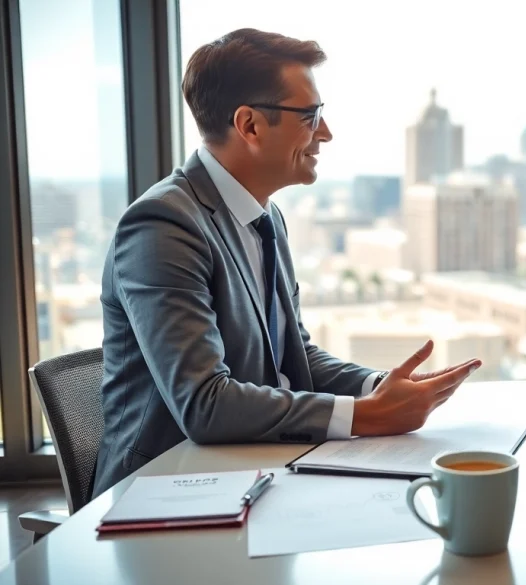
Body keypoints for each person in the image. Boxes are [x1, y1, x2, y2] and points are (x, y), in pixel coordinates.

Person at [92, 29, 480, 497]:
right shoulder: (162, 225)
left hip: (255, 471)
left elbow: (293, 357)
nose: (326, 133)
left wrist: (380, 386)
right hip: (163, 492)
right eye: (310, 116)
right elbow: (205, 405)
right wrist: (368, 415)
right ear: (250, 125)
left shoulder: (265, 215)